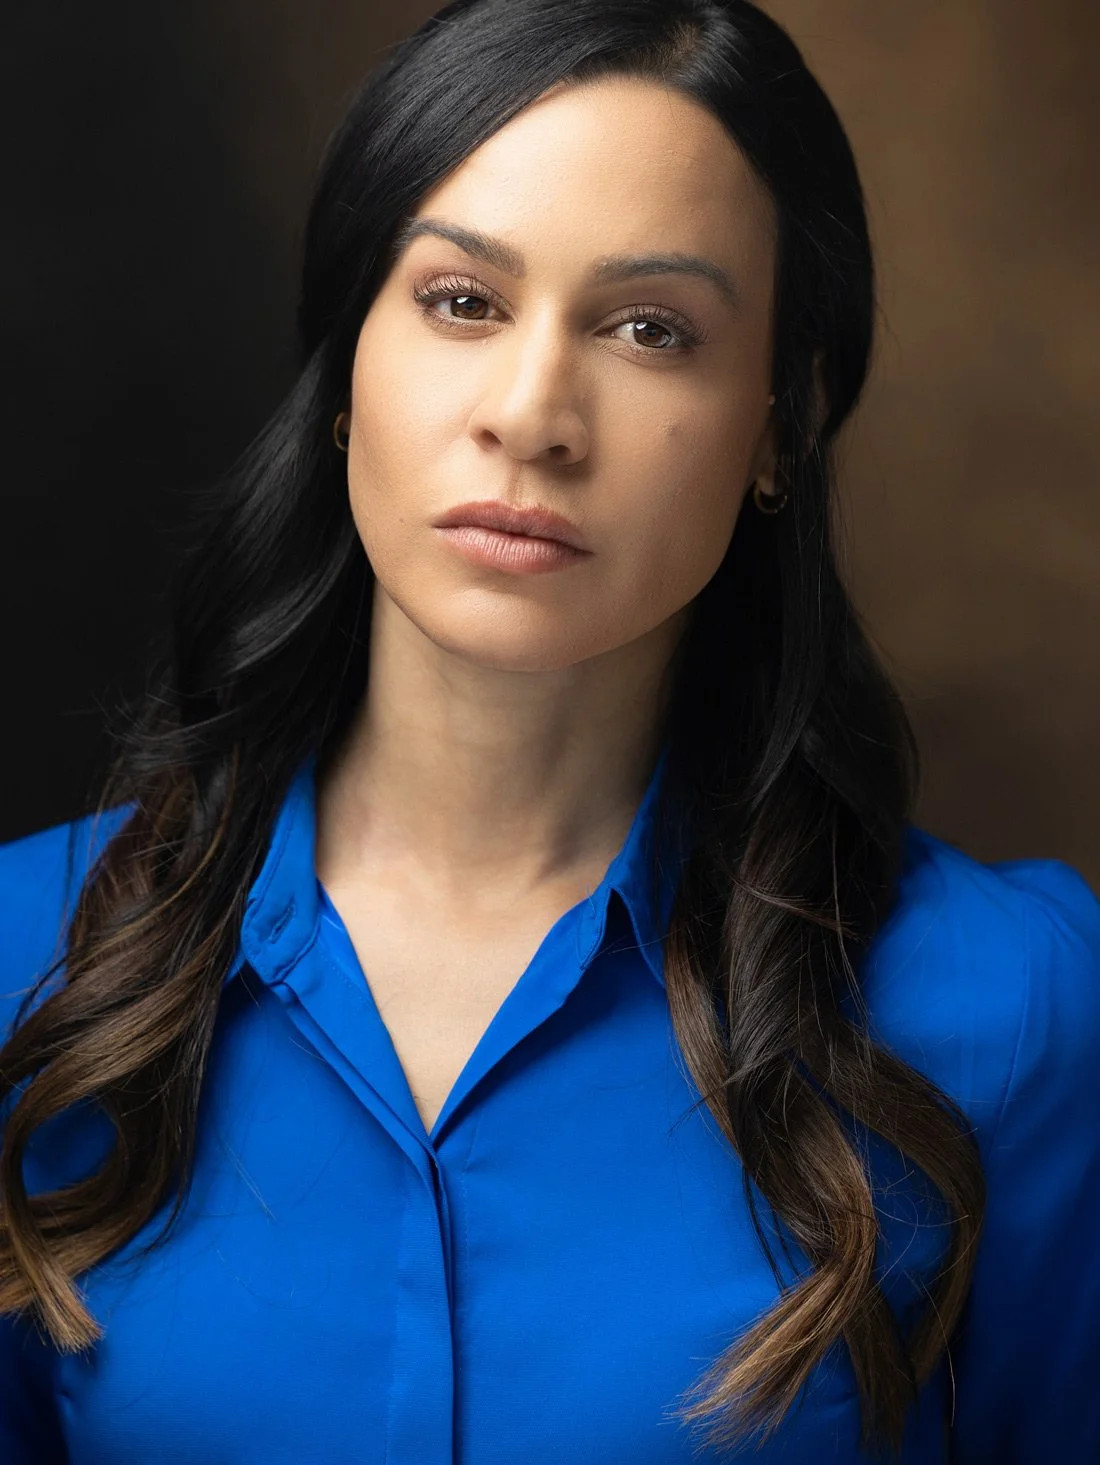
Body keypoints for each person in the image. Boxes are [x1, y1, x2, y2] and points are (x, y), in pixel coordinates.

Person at [2, 0, 1098, 1460]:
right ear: (345, 371)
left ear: (779, 427)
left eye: (651, 330)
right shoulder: (30, 965)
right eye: (462, 301)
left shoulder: (1015, 1009)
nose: (531, 416)